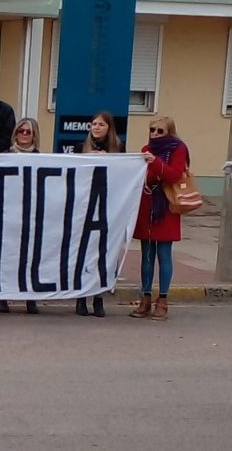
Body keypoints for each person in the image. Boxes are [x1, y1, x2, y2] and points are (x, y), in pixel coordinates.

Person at [130, 117, 188, 321]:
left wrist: (156, 163)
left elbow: (174, 175)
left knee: (164, 254)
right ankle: (145, 297)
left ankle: (162, 300)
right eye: (152, 130)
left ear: (169, 132)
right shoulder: (147, 148)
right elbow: (141, 175)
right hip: (147, 205)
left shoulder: (179, 149)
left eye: (159, 131)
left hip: (166, 206)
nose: (154, 134)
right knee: (146, 255)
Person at [72, 111, 124, 318]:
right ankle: (81, 298)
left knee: (104, 253)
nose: (96, 127)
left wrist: (109, 160)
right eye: (93, 124)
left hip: (108, 206)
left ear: (109, 128)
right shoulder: (80, 148)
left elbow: (124, 175)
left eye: (101, 124)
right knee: (83, 251)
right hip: (84, 206)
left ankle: (99, 298)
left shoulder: (118, 149)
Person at [0, 118, 41, 315]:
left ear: (34, 135)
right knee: (6, 256)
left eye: (28, 132)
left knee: (30, 256)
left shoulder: (41, 158)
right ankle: (2, 295)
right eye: (20, 131)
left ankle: (29, 297)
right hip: (7, 212)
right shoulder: (5, 155)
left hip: (30, 212)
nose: (24, 134)